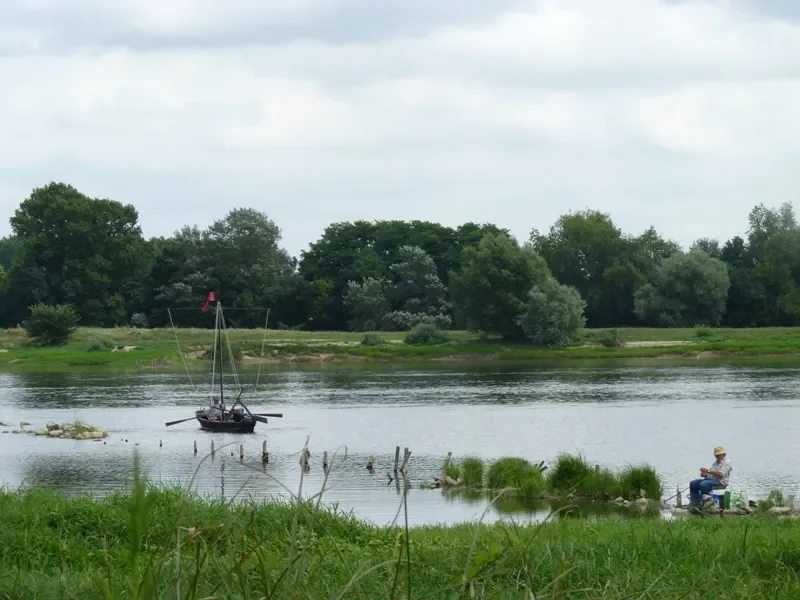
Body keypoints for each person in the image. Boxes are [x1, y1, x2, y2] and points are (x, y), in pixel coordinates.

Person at [688, 446, 732, 512]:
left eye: (718, 455)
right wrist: (705, 474)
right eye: (716, 455)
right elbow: (713, 474)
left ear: (723, 454)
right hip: (711, 480)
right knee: (693, 483)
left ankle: (708, 501)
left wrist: (707, 471)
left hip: (720, 482)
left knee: (704, 484)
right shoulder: (716, 462)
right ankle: (695, 504)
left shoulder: (727, 463)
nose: (716, 457)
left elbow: (720, 475)